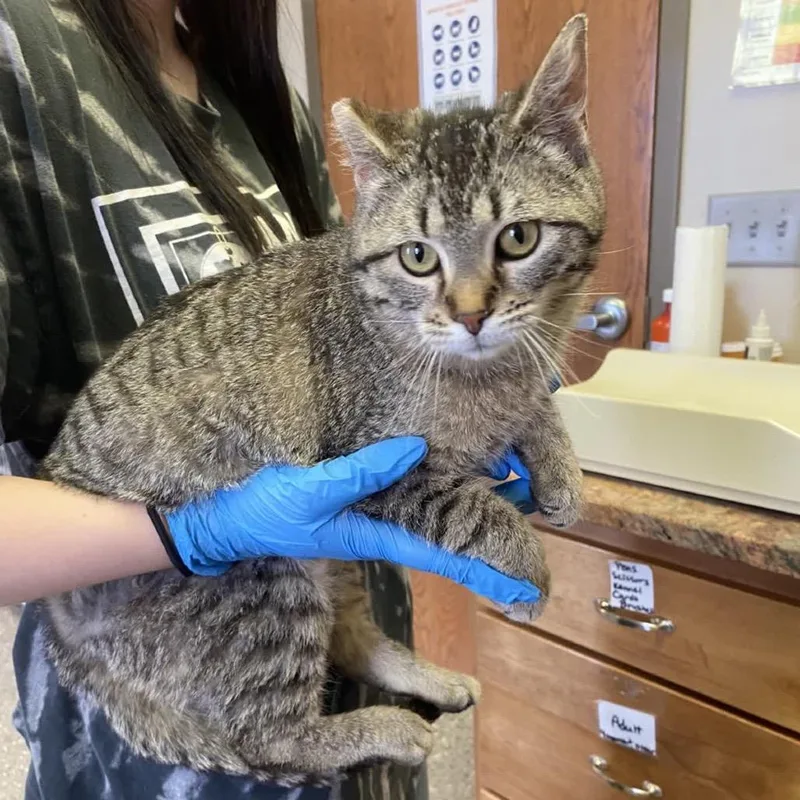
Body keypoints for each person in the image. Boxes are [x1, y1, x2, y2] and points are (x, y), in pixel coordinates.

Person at [0, 0, 542, 798]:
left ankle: (350, 646)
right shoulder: (21, 54)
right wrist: (194, 532)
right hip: (167, 690)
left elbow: (366, 322)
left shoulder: (252, 87)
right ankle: (283, 726)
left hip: (346, 669)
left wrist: (498, 389)